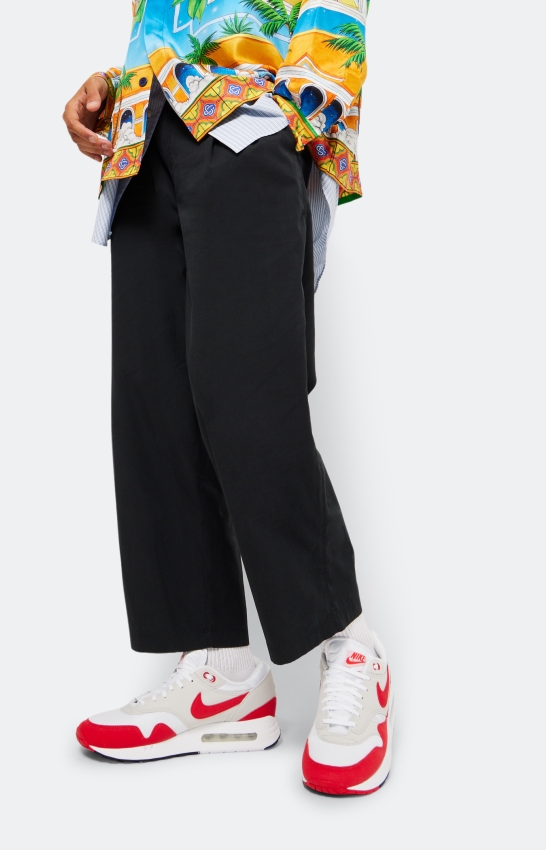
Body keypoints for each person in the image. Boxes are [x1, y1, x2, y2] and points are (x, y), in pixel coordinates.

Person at [63, 0, 393, 796]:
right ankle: (221, 674)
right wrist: (114, 82)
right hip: (146, 132)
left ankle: (350, 645)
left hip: (251, 126)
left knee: (248, 397)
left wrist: (284, 116)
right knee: (156, 404)